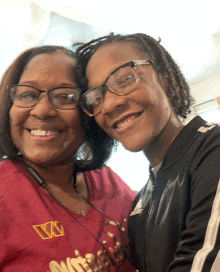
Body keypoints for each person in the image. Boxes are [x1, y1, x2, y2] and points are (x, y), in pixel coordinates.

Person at [75, 33, 220, 272]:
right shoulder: (142, 203)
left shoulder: (212, 150)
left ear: (168, 80)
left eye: (124, 79)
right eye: (97, 97)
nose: (109, 104)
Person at [0, 45, 137, 272]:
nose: (42, 111)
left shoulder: (107, 181)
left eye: (65, 97)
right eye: (27, 95)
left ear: (88, 110)